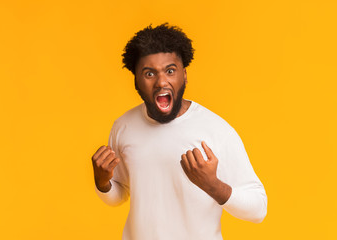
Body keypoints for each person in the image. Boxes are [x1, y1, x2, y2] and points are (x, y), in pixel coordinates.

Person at [91, 23, 267, 240]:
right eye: (149, 73)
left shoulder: (216, 129)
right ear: (136, 79)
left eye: (170, 71)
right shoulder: (123, 126)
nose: (161, 82)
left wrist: (213, 186)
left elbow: (259, 209)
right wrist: (102, 182)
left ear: (184, 75)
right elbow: (120, 195)